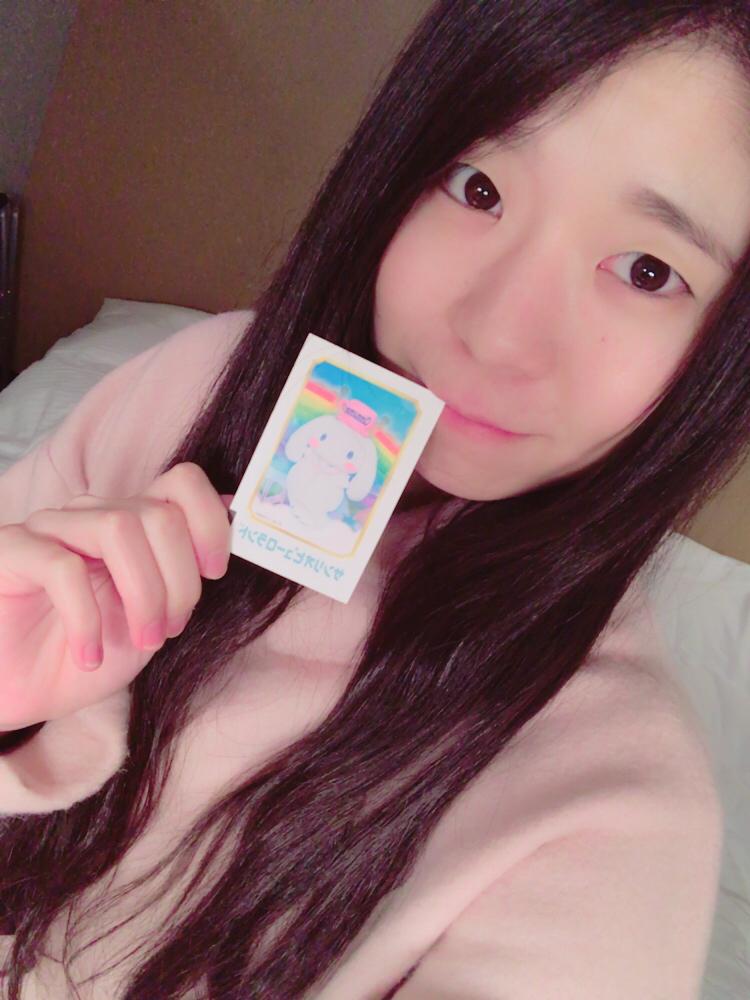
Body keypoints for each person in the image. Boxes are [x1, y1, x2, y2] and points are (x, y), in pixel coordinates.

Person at [0, 1, 748, 996]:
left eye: (647, 271)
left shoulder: (619, 817)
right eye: (478, 187)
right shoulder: (195, 384)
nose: (496, 334)